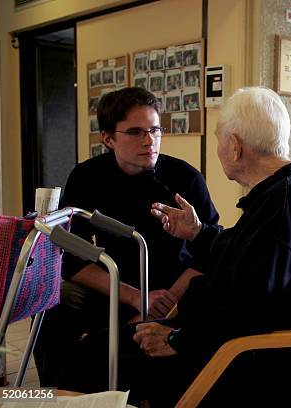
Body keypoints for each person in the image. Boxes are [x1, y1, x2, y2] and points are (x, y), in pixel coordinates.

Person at [56, 87, 291, 407]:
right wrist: (199, 233)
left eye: (220, 138)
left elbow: (252, 308)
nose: (149, 140)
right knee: (94, 346)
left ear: (234, 146)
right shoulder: (285, 193)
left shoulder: (285, 204)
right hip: (216, 336)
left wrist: (177, 338)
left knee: (90, 359)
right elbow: (245, 262)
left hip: (246, 359)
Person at [34, 87, 219, 386]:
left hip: (177, 290)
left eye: (155, 130)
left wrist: (163, 302)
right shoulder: (87, 177)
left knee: (115, 355)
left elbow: (212, 252)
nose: (149, 141)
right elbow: (69, 260)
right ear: (108, 139)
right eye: (135, 132)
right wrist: (136, 298)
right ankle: (57, 395)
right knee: (50, 305)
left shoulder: (185, 178)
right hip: (118, 286)